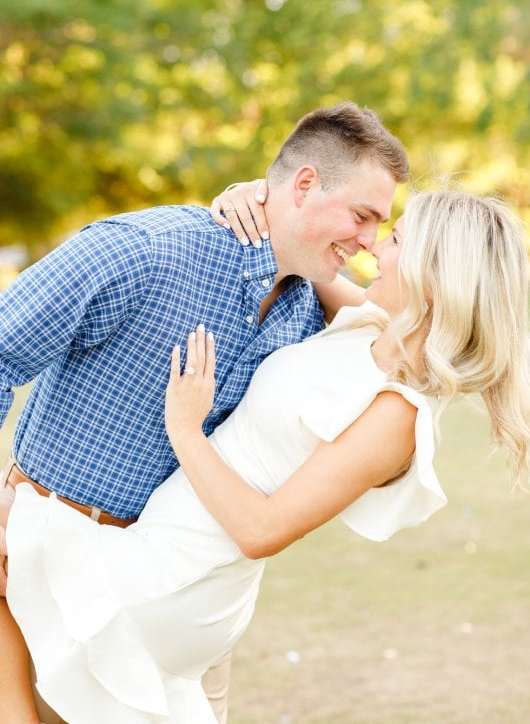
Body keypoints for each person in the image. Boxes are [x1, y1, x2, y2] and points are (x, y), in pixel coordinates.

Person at [1, 190, 529, 724]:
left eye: (395, 240)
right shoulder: (370, 326)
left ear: (433, 280)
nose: (374, 249)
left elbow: (262, 531)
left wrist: (186, 429)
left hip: (184, 573)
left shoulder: (398, 412)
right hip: (165, 544)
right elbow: (300, 249)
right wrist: (259, 198)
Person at [0, 101, 409, 724]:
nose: (369, 240)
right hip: (46, 570)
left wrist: (269, 206)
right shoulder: (144, 252)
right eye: (361, 215)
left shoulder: (309, 313)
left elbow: (419, 327)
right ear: (304, 184)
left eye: (380, 225)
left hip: (178, 606)